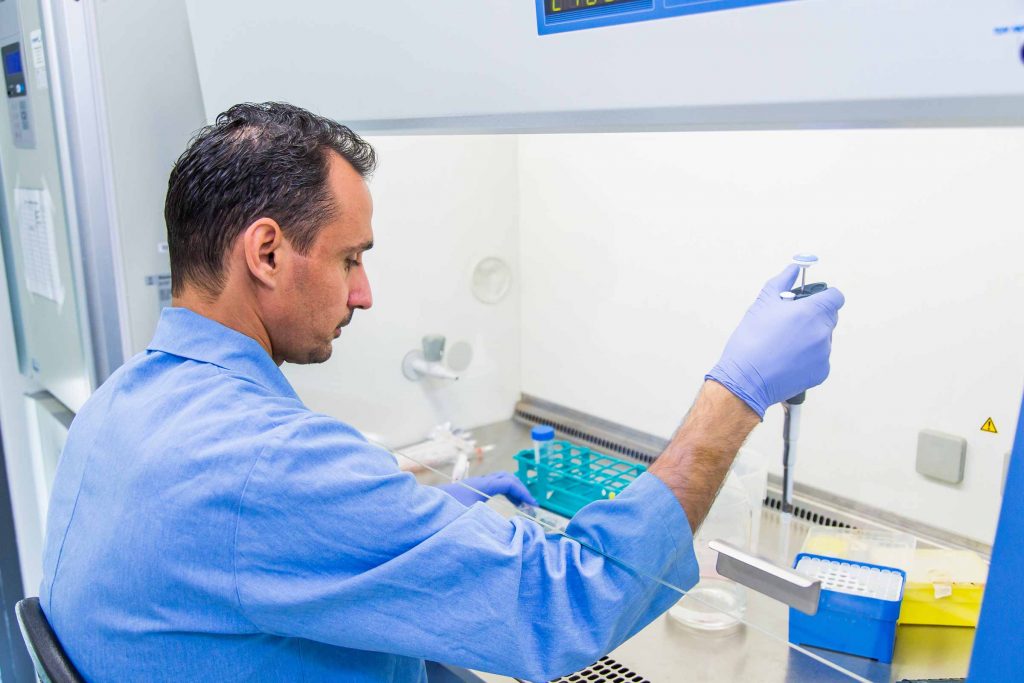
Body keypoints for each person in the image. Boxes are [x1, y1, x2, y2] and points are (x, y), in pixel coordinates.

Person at [39, 102, 845, 682]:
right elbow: (562, 603)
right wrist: (738, 390)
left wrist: (401, 530)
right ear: (268, 252)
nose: (364, 294)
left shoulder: (118, 404)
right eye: (351, 258)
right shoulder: (265, 463)